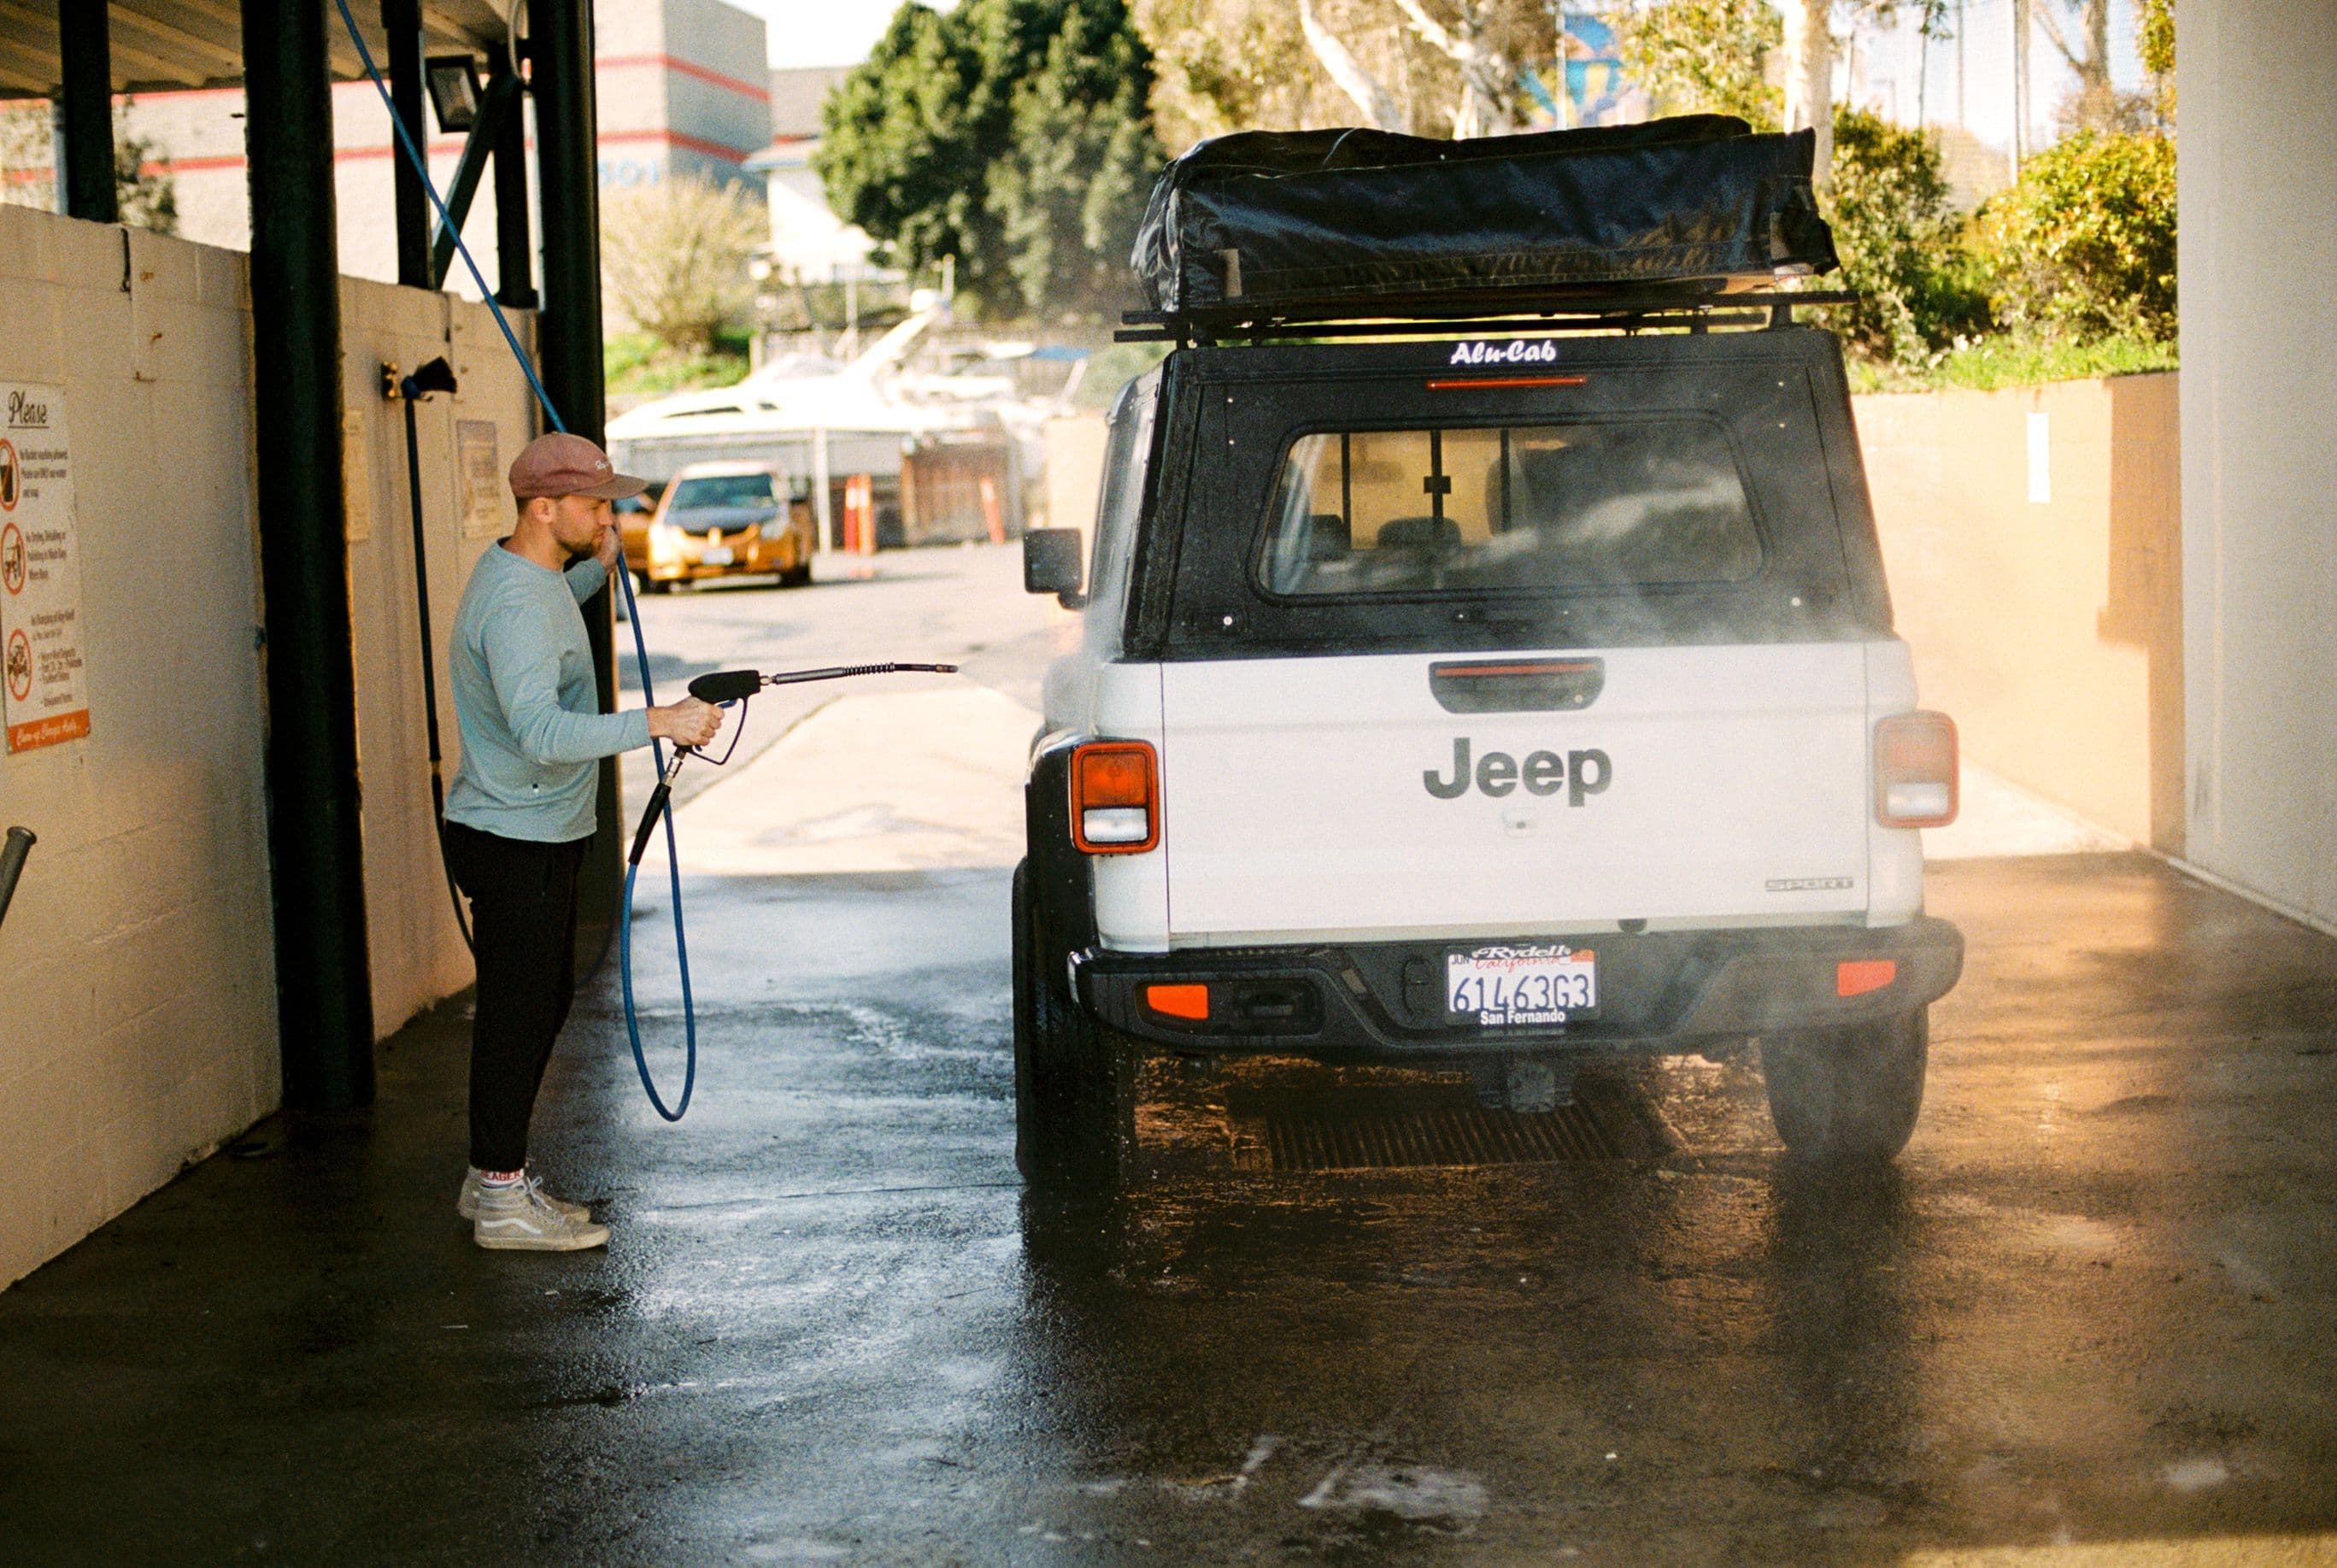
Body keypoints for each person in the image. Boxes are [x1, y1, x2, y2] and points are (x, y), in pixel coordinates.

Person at [443, 432, 722, 1251]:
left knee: (537, 1004)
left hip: (532, 830)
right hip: (516, 836)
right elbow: (538, 729)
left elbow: (545, 615)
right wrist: (659, 722)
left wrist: (595, 569)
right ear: (544, 507)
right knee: (516, 1016)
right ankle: (499, 1198)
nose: (609, 514)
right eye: (596, 504)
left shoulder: (530, 579)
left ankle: (489, 1177)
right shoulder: (519, 604)